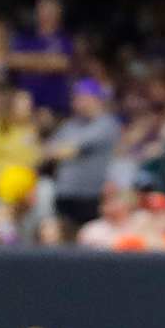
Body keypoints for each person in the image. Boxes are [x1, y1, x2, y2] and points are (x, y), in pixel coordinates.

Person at [45, 79, 121, 227]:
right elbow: (49, 150)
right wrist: (58, 150)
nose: (77, 102)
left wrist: (61, 150)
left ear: (95, 98)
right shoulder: (70, 125)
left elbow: (72, 150)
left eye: (82, 97)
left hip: (91, 195)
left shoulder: (106, 124)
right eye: (76, 98)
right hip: (65, 194)